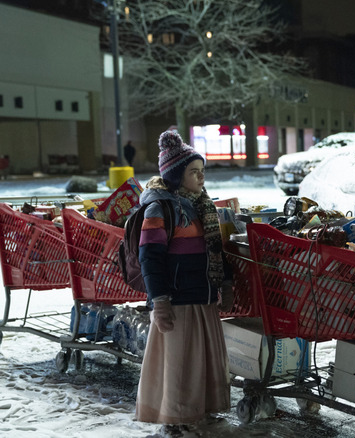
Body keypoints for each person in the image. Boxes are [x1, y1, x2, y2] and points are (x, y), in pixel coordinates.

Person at [135, 130, 234, 437]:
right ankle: (176, 418)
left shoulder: (201, 205)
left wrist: (226, 283)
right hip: (177, 301)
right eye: (194, 172)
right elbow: (150, 257)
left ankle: (198, 411)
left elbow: (214, 250)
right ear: (176, 175)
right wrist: (160, 300)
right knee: (179, 366)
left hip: (202, 296)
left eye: (202, 172)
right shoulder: (160, 207)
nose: (201, 178)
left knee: (201, 362)